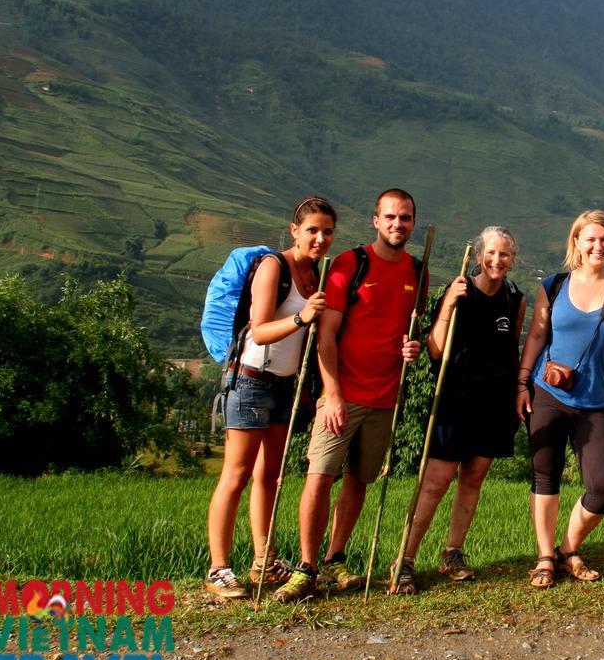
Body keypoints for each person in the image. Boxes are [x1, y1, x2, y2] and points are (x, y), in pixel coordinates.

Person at [274, 189, 425, 603]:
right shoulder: (350, 264)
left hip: (385, 397)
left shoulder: (417, 270)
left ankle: (335, 557)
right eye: (391, 217)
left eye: (406, 218)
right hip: (343, 393)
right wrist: (334, 395)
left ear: (413, 223)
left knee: (359, 479)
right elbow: (326, 337)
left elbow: (410, 331)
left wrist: (412, 346)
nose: (398, 224)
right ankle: (306, 569)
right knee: (319, 477)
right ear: (375, 220)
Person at [204, 196, 335, 599]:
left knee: (271, 476)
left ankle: (265, 558)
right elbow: (258, 331)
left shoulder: (315, 273)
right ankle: (218, 569)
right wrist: (300, 317)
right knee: (237, 474)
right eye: (312, 230)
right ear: (294, 230)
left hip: (284, 385)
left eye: (327, 232)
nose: (319, 238)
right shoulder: (272, 268)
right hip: (250, 379)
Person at [390, 226, 526, 594]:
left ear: (513, 259)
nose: (498, 260)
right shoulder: (458, 291)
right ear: (479, 254)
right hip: (454, 399)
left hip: (494, 402)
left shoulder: (515, 297)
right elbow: (434, 349)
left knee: (474, 477)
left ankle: (453, 552)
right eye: (492, 253)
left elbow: (512, 346)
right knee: (435, 481)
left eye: (505, 254)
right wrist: (448, 304)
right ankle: (404, 559)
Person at [516, 210, 604, 589]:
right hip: (549, 392)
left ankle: (567, 549)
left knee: (602, 487)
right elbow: (537, 336)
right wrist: (522, 383)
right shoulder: (554, 285)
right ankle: (544, 557)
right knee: (545, 475)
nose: (597, 246)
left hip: (595, 401)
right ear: (576, 243)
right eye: (590, 239)